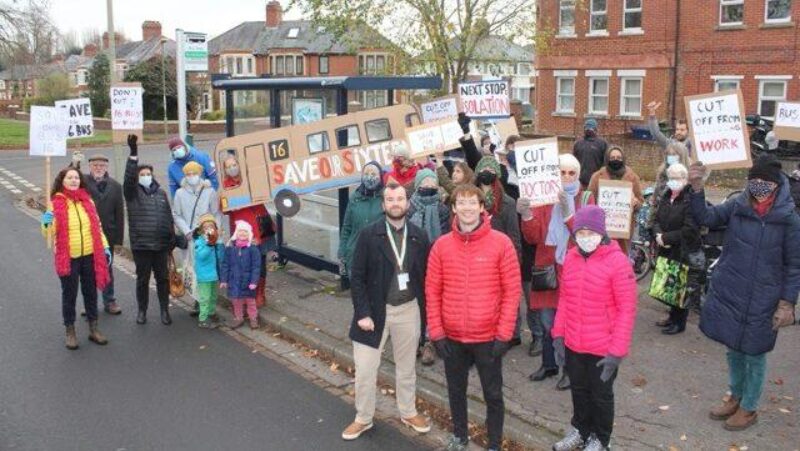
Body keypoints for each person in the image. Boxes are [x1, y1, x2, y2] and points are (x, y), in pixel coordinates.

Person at [688, 155, 799, 431]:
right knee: (734, 348)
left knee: (754, 352)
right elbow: (707, 217)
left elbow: (794, 265)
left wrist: (787, 303)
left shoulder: (790, 220)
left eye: (764, 182)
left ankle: (749, 407)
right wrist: (697, 187)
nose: (758, 185)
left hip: (765, 297)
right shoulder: (738, 205)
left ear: (776, 185)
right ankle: (734, 396)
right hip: (733, 289)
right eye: (753, 180)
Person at [426, 184, 521, 451]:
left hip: (488, 337)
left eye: (472, 203)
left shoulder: (501, 243)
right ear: (454, 208)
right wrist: (437, 332)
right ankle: (460, 435)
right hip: (452, 337)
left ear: (482, 208)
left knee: (493, 395)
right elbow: (432, 291)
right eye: (461, 203)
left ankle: (493, 444)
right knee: (456, 391)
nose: (467, 208)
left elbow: (512, 291)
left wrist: (504, 334)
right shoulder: (441, 246)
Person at [342, 183, 432, 441]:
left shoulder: (419, 236)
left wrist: (428, 315)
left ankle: (408, 411)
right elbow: (356, 276)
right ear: (383, 205)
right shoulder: (369, 235)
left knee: (406, 368)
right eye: (390, 199)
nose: (395, 203)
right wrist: (362, 313)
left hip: (409, 310)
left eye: (400, 198)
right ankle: (363, 417)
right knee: (366, 370)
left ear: (407, 203)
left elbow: (425, 277)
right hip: (374, 312)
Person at [551, 206, 637, 451]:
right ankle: (581, 430)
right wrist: (558, 334)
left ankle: (601, 439)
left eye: (590, 231)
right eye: (580, 231)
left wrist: (617, 351)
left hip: (603, 347)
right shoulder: (571, 257)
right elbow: (565, 298)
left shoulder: (617, 262)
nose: (585, 236)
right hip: (575, 342)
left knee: (601, 396)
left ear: (601, 233)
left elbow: (626, 309)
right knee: (579, 390)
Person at [518, 153, 594, 390]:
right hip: (548, 269)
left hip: (573, 272)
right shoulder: (544, 197)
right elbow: (533, 237)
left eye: (571, 172)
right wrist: (527, 214)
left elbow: (586, 237)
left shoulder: (587, 199)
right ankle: (549, 364)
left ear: (578, 175)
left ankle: (569, 370)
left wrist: (569, 213)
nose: (566, 177)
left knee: (569, 325)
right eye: (562, 172)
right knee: (548, 321)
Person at [40, 165, 111, 350]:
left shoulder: (87, 201)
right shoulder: (56, 203)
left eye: (76, 178)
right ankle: (70, 330)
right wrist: (46, 222)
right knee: (69, 294)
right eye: (69, 178)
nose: (74, 180)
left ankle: (93, 328)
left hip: (89, 254)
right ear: (62, 181)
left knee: (90, 292)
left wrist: (105, 246)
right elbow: (49, 234)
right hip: (68, 257)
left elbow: (98, 227)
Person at [124, 135, 177, 325]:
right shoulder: (132, 193)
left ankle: (164, 310)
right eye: (142, 174)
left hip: (161, 246)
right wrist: (133, 154)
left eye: (148, 174)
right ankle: (142, 311)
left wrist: (172, 240)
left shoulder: (161, 194)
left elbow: (167, 218)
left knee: (163, 279)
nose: (146, 177)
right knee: (142, 280)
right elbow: (129, 179)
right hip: (142, 245)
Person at [651, 163, 702, 335]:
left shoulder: (689, 199)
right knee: (668, 286)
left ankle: (679, 323)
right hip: (665, 247)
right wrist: (658, 235)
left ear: (685, 179)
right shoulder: (667, 196)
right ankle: (671, 317)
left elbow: (690, 229)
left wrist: (666, 238)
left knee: (680, 288)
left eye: (678, 178)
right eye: (671, 178)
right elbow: (657, 219)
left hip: (681, 250)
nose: (674, 182)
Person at [221, 154, 276, 308]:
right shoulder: (226, 186)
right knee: (244, 264)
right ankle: (247, 297)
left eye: (234, 164)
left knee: (260, 262)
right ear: (225, 170)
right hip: (242, 230)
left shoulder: (250, 179)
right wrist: (231, 206)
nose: (232, 168)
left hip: (260, 226)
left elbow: (265, 193)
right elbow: (223, 208)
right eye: (229, 166)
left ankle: (260, 294)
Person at [173, 160, 221, 309]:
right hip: (190, 237)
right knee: (192, 268)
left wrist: (214, 233)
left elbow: (216, 212)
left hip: (207, 237)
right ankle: (197, 300)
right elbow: (176, 214)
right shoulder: (180, 193)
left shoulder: (209, 191)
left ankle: (207, 302)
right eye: (188, 174)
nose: (191, 176)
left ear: (199, 174)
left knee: (207, 268)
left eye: (194, 173)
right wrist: (186, 231)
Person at [84, 154, 124, 315]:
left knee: (107, 268)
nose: (98, 168)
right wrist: (75, 162)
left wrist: (118, 239)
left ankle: (110, 300)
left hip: (107, 234)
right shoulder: (83, 182)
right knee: (88, 271)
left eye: (101, 165)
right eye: (95, 165)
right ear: (90, 167)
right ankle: (90, 303)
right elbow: (67, 178)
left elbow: (119, 213)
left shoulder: (115, 186)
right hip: (86, 234)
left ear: (106, 167)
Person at [587, 146, 644, 252]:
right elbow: (589, 200)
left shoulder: (633, 177)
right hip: (601, 228)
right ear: (607, 159)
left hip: (623, 229)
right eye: (612, 157)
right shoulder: (597, 177)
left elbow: (640, 200)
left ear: (623, 159)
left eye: (618, 157)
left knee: (620, 258)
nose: (615, 160)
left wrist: (636, 203)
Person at [338, 162, 385, 276]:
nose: (370, 176)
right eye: (366, 173)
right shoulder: (355, 198)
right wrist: (342, 253)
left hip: (379, 259)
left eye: (374, 173)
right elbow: (347, 228)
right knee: (357, 292)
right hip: (354, 256)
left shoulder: (385, 198)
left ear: (380, 177)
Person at [221, 220, 263, 330]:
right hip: (234, 280)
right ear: (236, 233)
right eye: (240, 231)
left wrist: (254, 281)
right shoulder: (230, 248)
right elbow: (225, 264)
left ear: (249, 234)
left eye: (245, 232)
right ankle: (238, 318)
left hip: (248, 281)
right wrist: (224, 280)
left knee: (250, 301)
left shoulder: (253, 249)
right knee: (236, 301)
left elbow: (256, 267)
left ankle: (253, 318)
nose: (243, 234)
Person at [647, 142, 691, 230]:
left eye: (674, 154)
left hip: (681, 231)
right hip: (660, 227)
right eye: (668, 154)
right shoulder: (662, 176)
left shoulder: (690, 179)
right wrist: (651, 226)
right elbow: (655, 204)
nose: (671, 157)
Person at [193, 214, 225, 329]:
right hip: (204, 276)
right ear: (201, 230)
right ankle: (203, 318)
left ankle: (211, 313)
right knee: (205, 297)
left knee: (213, 296)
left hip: (213, 274)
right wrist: (209, 245)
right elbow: (201, 256)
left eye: (211, 227)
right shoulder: (199, 242)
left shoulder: (215, 241)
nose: (209, 230)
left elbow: (219, 257)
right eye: (206, 228)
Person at [573, 118, 608, 189]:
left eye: (591, 128)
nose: (589, 130)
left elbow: (606, 164)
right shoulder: (578, 144)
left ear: (596, 129)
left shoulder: (602, 144)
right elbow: (573, 163)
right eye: (587, 128)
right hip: (580, 182)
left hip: (596, 182)